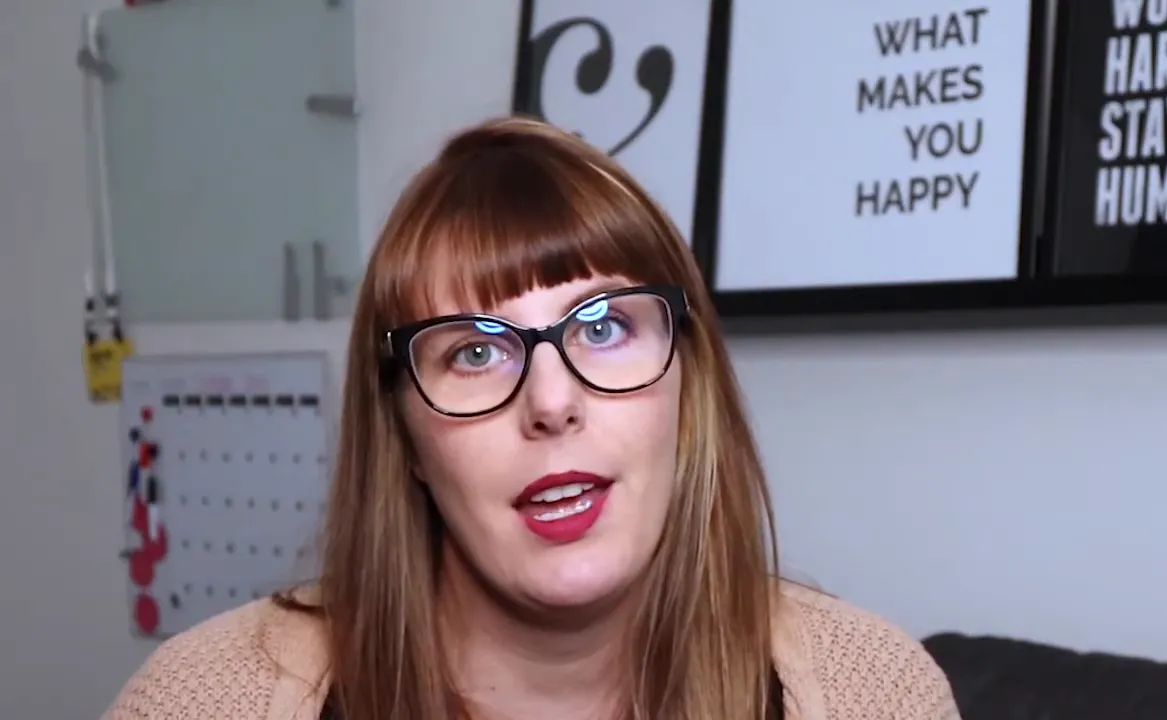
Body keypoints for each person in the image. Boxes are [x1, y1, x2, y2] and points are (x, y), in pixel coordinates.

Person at [104, 117, 960, 720]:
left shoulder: (874, 692)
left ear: (686, 387)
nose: (552, 403)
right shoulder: (204, 699)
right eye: (475, 353)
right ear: (403, 433)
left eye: (604, 327)